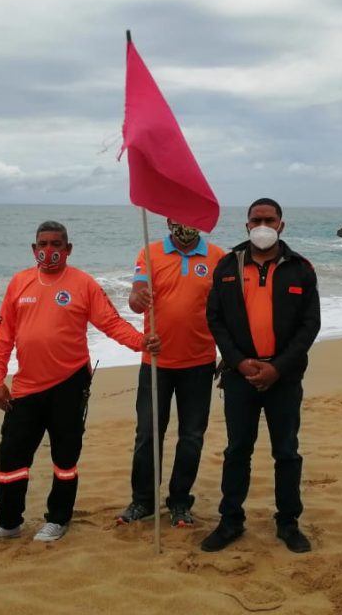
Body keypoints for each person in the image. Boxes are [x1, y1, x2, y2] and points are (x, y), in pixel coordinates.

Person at [0, 221, 160, 544]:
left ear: (68, 249)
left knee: (65, 459)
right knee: (11, 459)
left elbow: (111, 323)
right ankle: (8, 522)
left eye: (56, 244)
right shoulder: (19, 283)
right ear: (34, 249)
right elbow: (2, 336)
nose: (49, 251)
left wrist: (141, 343)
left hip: (69, 385)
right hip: (25, 388)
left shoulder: (83, 284)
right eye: (43, 244)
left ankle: (58, 519)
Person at [201, 198, 321, 553]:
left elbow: (309, 324)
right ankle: (230, 521)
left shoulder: (301, 268)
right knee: (238, 449)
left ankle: (288, 522)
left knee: (286, 452)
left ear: (281, 224)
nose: (263, 225)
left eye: (270, 219)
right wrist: (238, 362)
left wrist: (277, 366)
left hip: (284, 377)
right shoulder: (227, 265)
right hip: (240, 376)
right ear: (247, 225)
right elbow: (215, 319)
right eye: (257, 219)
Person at [116, 219, 224, 527]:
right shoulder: (150, 253)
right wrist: (137, 298)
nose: (184, 225)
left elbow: (227, 307)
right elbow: (136, 299)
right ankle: (143, 501)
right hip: (156, 363)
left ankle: (179, 501)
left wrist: (229, 353)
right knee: (148, 434)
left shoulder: (216, 257)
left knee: (191, 437)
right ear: (168, 221)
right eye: (177, 219)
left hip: (200, 362)